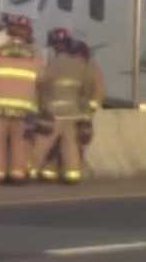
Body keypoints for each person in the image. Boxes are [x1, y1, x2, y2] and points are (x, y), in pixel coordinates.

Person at [0, 14, 43, 184]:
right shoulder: (36, 57)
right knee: (20, 142)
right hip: (24, 109)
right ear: (28, 33)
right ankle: (17, 174)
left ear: (9, 32)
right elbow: (42, 80)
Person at [31, 31, 90, 183]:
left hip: (53, 114)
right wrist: (85, 116)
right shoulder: (79, 65)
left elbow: (39, 84)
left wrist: (40, 107)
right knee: (70, 145)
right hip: (73, 114)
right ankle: (72, 174)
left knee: (42, 144)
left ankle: (30, 171)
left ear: (53, 47)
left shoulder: (51, 65)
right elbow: (84, 92)